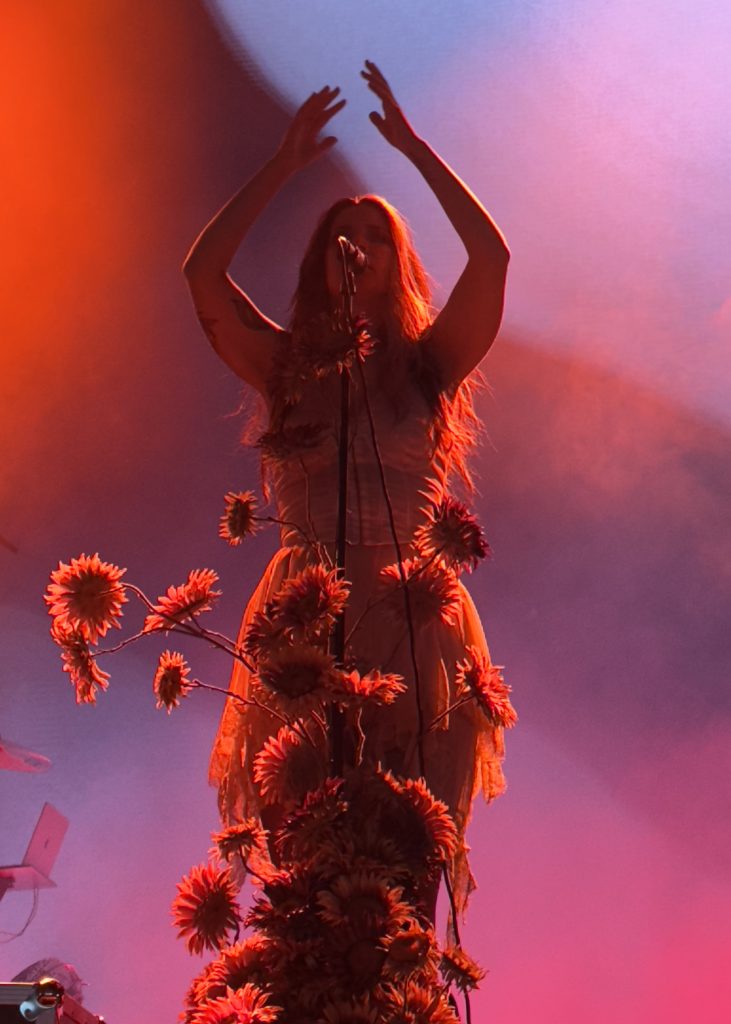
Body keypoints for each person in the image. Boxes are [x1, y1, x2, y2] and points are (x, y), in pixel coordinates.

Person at [183, 62, 511, 917]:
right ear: (321, 264)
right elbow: (202, 275)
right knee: (306, 869)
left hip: (411, 618)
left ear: (397, 263)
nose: (358, 246)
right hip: (305, 613)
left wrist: (415, 150)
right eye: (343, 234)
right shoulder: (285, 367)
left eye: (375, 236)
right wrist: (283, 164)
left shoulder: (431, 369)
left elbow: (491, 258)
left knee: (399, 870)